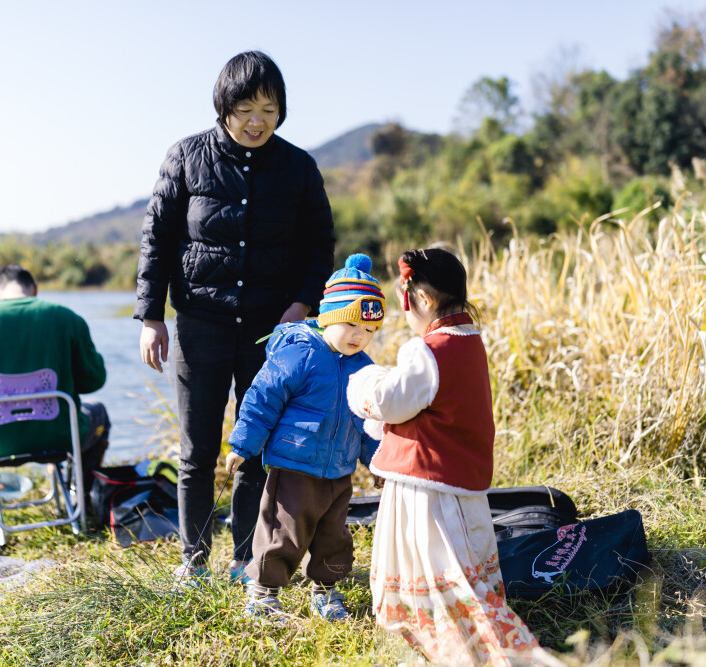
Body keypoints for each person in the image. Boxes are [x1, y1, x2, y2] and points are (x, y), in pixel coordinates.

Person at [135, 51, 335, 584]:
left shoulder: (298, 167)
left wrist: (302, 304)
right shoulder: (185, 157)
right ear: (223, 106)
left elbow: (320, 247)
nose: (256, 120)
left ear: (281, 111)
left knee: (256, 445)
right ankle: (193, 561)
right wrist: (151, 316)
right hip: (199, 323)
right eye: (245, 107)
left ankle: (246, 558)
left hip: (272, 331)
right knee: (198, 451)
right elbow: (157, 240)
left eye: (268, 108)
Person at [346, 248, 539, 665]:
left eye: (408, 303)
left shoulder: (426, 350)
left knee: (429, 558)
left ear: (425, 300)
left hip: (425, 484)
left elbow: (394, 403)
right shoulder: (470, 340)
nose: (408, 313)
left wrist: (365, 381)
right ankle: (469, 613)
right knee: (462, 553)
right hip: (463, 479)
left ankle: (434, 623)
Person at [224, 254, 384, 621]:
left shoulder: (365, 369)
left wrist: (375, 460)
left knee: (335, 538)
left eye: (369, 330)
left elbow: (369, 421)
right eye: (351, 325)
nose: (360, 336)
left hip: (339, 472)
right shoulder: (301, 353)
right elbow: (261, 399)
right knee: (284, 532)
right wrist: (242, 445)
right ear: (329, 316)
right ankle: (263, 595)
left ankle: (325, 592)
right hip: (294, 465)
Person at [0, 264, 110, 518]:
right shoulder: (67, 318)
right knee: (98, 412)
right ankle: (80, 496)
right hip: (62, 436)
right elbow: (94, 380)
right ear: (34, 290)